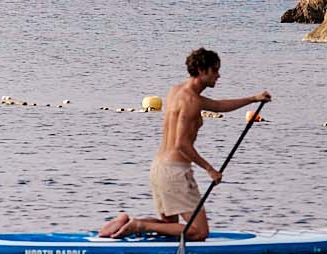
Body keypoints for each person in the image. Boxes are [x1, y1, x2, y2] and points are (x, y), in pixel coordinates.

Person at [97, 48, 270, 241]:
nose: (218, 75)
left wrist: (253, 99)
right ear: (202, 70)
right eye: (215, 70)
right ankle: (139, 225)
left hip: (159, 168)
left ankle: (127, 221)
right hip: (175, 172)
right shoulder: (191, 101)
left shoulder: (177, 92)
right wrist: (210, 169)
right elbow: (181, 145)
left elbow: (219, 105)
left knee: (170, 227)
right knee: (198, 232)